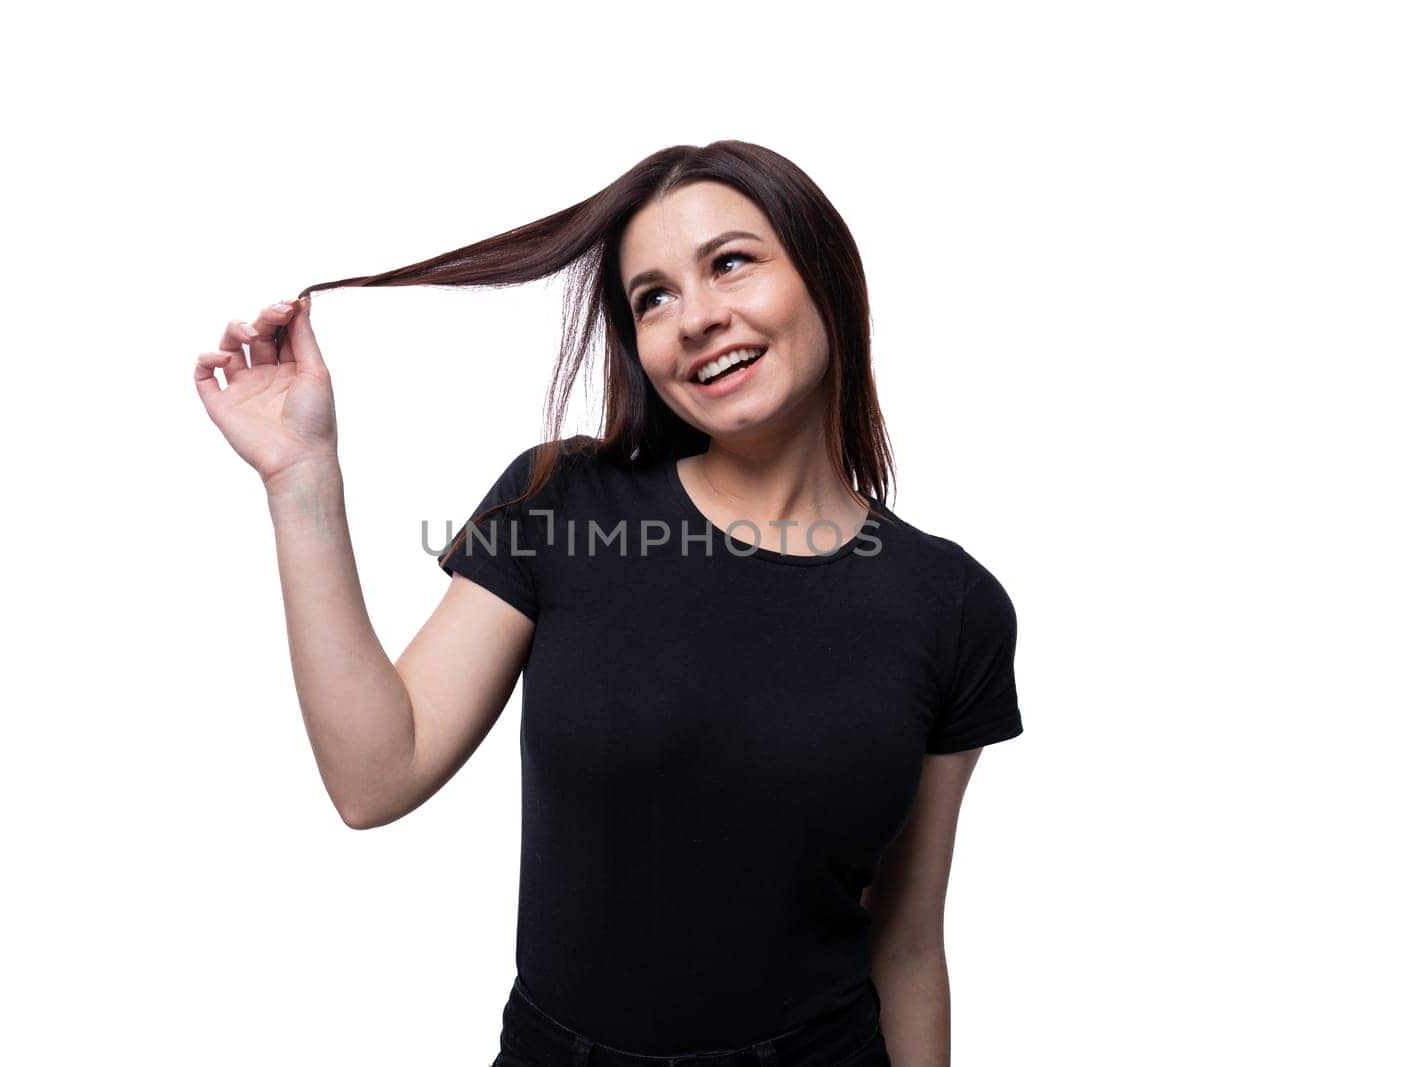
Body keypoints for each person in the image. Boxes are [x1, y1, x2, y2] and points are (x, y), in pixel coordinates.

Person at [194, 141, 1024, 1067]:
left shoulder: (953, 606)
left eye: (731, 262)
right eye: (654, 298)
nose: (697, 317)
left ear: (824, 274)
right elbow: (375, 776)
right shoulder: (563, 503)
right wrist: (300, 474)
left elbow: (908, 943)